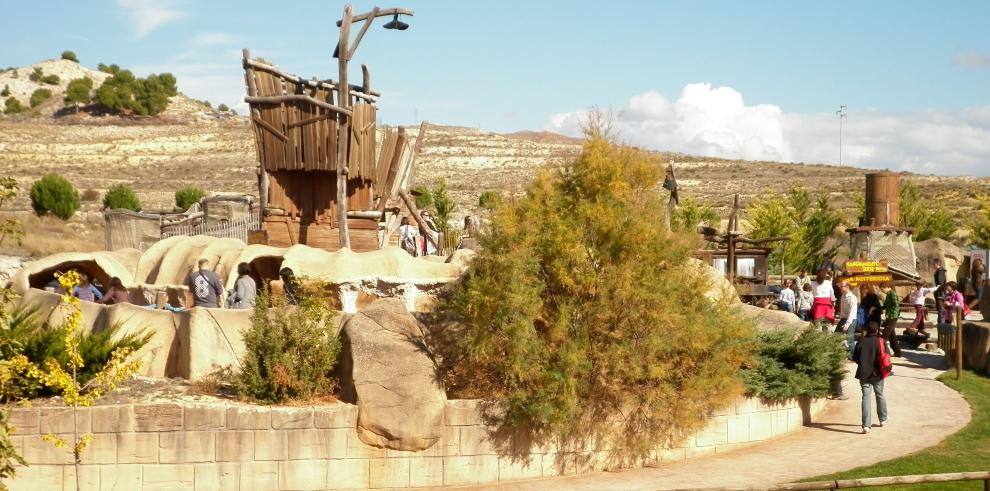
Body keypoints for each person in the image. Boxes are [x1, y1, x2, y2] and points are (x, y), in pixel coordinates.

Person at [852, 323, 889, 434]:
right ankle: (883, 419)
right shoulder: (881, 341)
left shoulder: (861, 341)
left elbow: (855, 357)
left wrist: (863, 364)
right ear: (877, 330)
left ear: (867, 330)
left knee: (866, 397)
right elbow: (887, 355)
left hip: (864, 373)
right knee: (880, 394)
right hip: (878, 373)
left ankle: (866, 426)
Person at [880, 282, 902, 357]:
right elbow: (885, 306)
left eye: (882, 290)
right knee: (892, 336)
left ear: (885, 287)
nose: (882, 291)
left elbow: (896, 305)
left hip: (893, 316)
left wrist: (890, 314)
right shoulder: (888, 295)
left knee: (885, 335)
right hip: (889, 316)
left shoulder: (892, 294)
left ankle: (881, 352)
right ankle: (898, 352)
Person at [837, 281, 859, 356]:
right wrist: (841, 320)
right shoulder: (842, 296)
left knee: (850, 338)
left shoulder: (852, 298)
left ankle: (852, 357)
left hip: (851, 319)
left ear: (847, 287)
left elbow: (852, 313)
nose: (840, 288)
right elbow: (842, 310)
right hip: (844, 319)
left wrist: (847, 324)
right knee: (835, 336)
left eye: (842, 286)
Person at [933, 259, 947, 323]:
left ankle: (941, 322)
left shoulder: (940, 271)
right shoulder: (938, 271)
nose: (933, 265)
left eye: (934, 264)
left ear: (937, 264)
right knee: (939, 307)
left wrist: (939, 290)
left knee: (941, 307)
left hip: (940, 292)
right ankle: (940, 321)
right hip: (938, 291)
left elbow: (940, 282)